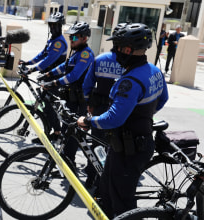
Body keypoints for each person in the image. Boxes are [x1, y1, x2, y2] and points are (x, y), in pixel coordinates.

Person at [77, 23, 169, 218]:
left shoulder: (130, 81)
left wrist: (89, 121)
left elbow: (113, 119)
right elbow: (162, 100)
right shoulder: (154, 71)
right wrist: (143, 115)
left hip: (129, 148)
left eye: (117, 47)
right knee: (106, 189)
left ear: (127, 49)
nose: (114, 51)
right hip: (131, 143)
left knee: (122, 201)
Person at [39, 21, 94, 164]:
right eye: (70, 37)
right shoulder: (76, 53)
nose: (71, 40)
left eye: (75, 37)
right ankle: (66, 164)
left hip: (80, 101)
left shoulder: (86, 54)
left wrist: (54, 83)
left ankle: (70, 164)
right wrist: (48, 74)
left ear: (84, 38)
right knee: (66, 132)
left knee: (73, 136)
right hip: (71, 98)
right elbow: (64, 66)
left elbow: (74, 75)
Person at [81, 50, 125, 188]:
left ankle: (91, 176)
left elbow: (87, 84)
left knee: (96, 144)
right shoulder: (129, 63)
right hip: (118, 109)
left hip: (99, 108)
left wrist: (89, 103)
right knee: (113, 145)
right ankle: (104, 182)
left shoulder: (100, 59)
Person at [21, 12, 67, 142]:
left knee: (48, 106)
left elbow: (49, 60)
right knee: (45, 106)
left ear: (60, 26)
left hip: (54, 78)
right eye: (51, 25)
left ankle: (56, 133)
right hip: (47, 77)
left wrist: (32, 70)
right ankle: (49, 132)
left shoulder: (59, 43)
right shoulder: (52, 40)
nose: (53, 28)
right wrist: (28, 63)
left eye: (55, 25)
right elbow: (42, 55)